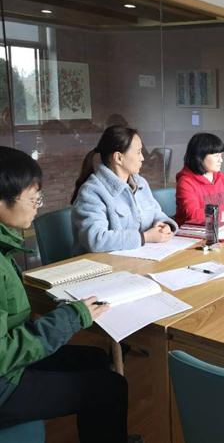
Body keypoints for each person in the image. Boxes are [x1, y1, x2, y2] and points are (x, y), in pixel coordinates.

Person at [0, 147, 130, 443]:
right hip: (5, 383)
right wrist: (70, 317)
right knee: (111, 388)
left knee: (95, 359)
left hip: (9, 367)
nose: (38, 206)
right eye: (33, 198)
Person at [71, 126, 176, 254]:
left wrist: (164, 225)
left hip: (141, 257)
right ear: (119, 158)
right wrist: (145, 237)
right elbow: (96, 239)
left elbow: (156, 213)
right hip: (103, 264)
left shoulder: (140, 183)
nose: (142, 158)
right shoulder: (91, 192)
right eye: (138, 152)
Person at [175, 133, 224, 225]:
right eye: (216, 156)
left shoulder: (222, 178)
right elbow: (193, 215)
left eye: (221, 155)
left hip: (222, 228)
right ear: (200, 157)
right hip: (194, 231)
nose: (221, 160)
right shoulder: (186, 182)